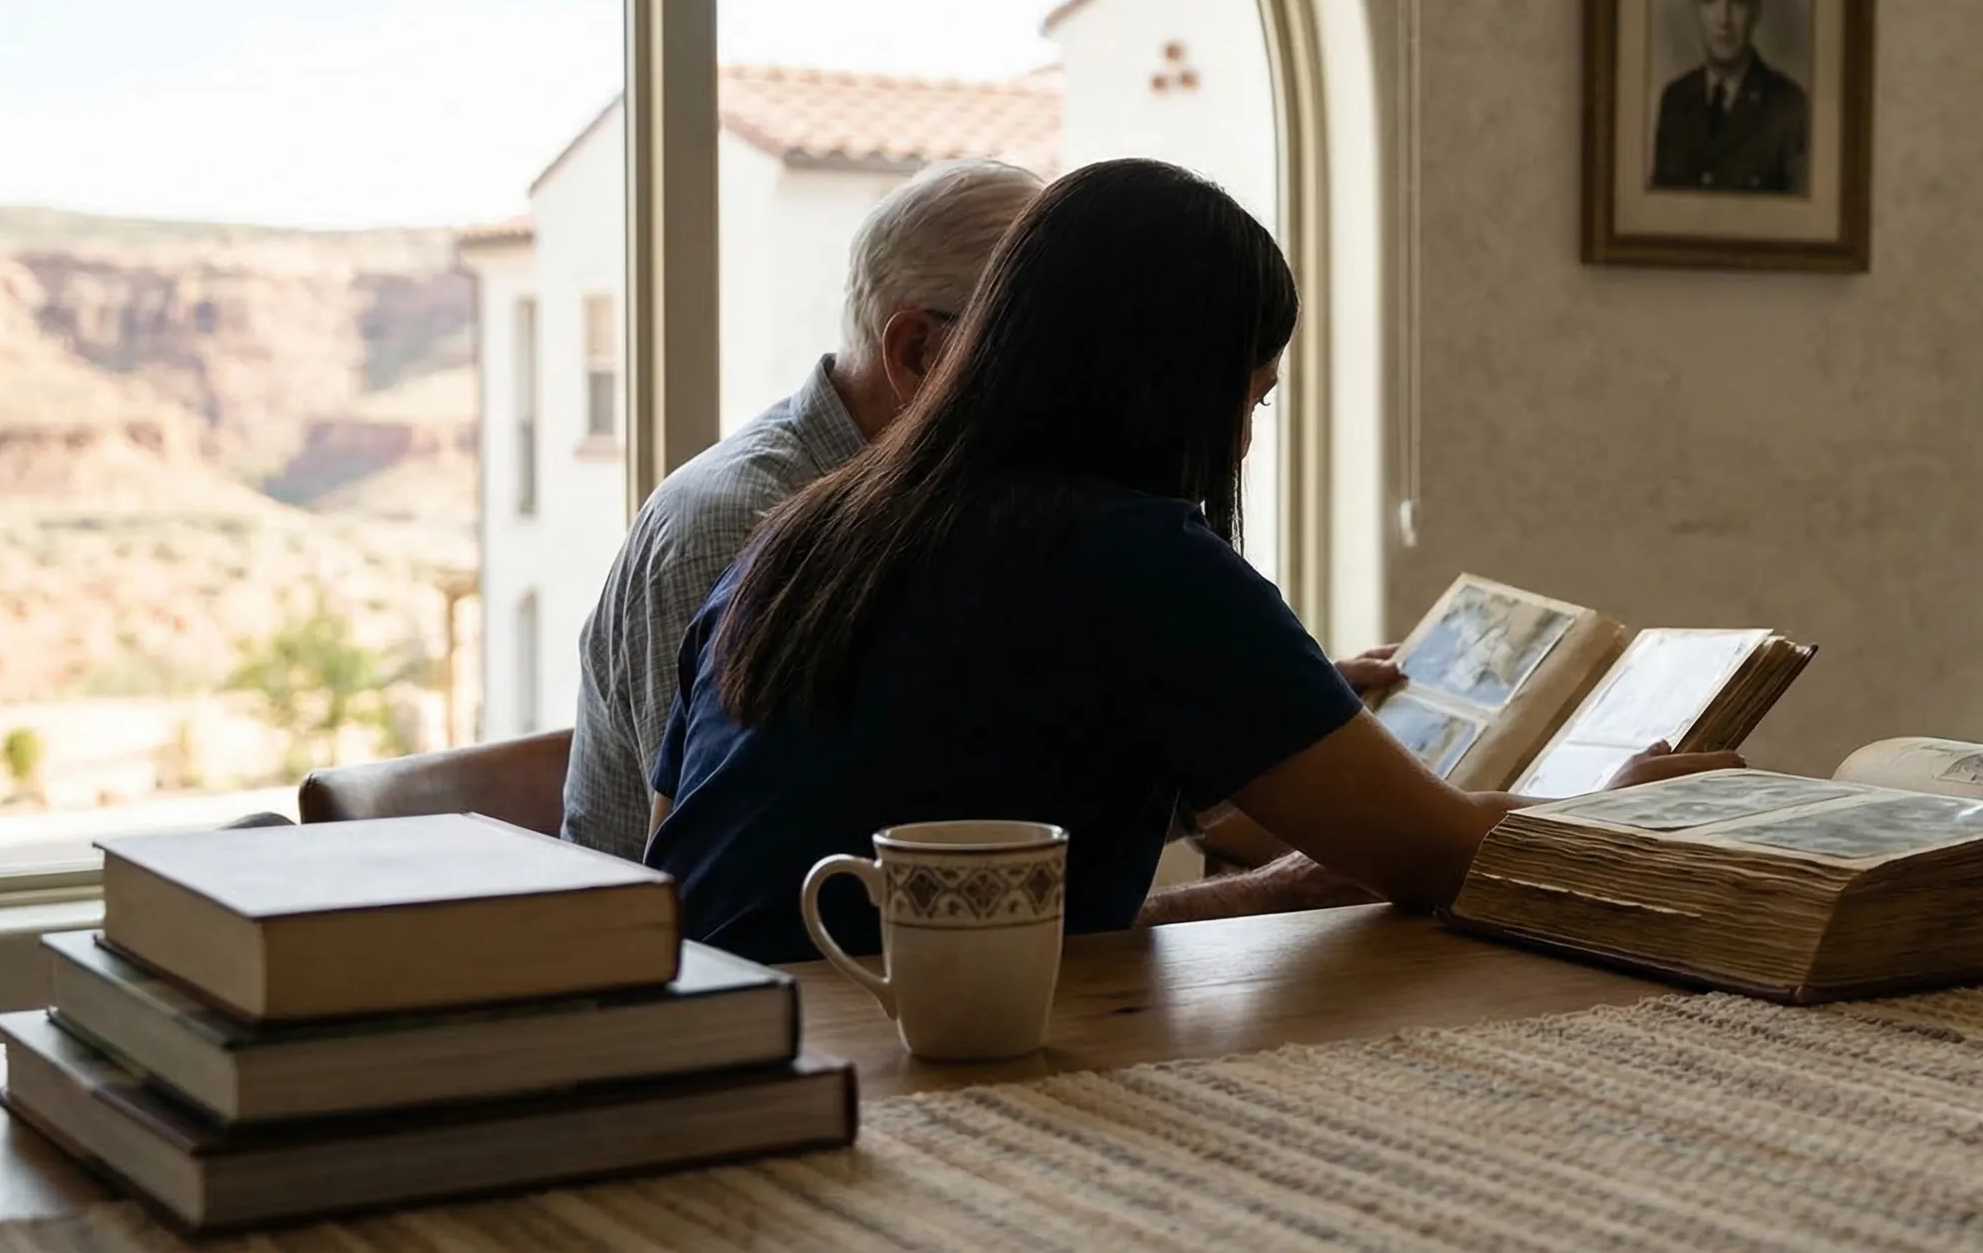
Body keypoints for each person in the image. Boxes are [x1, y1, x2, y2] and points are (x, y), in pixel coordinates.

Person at [644, 159, 1739, 962]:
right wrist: (1615, 804)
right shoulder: (1133, 554)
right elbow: (1439, 857)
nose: (1244, 442)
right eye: (1247, 397)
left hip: (703, 1053)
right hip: (901, 1062)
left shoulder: (805, 533)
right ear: (1166, 388)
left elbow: (679, 864)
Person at [560, 159, 1040, 860]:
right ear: (916, 351)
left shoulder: (952, 502)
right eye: (1031, 357)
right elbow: (724, 867)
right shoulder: (734, 527)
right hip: (684, 960)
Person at [1649, 0, 1809, 195]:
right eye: (1710, 0)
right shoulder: (1675, 100)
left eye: (1737, 1)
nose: (1723, 20)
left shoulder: (1789, 106)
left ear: (1755, 10)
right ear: (1694, 10)